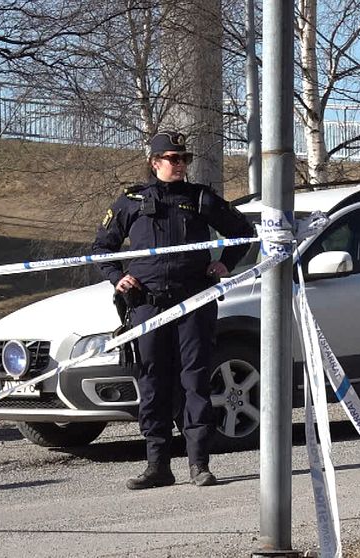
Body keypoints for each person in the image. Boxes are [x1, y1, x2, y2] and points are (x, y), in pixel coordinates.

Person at [93, 130, 254, 488]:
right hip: (147, 306)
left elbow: (243, 231)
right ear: (155, 163)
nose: (180, 165)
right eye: (173, 159)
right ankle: (157, 466)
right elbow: (102, 248)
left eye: (184, 159)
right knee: (153, 380)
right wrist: (117, 277)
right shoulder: (130, 201)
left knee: (195, 381)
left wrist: (224, 263)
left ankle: (199, 464)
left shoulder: (199, 199)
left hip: (193, 302)